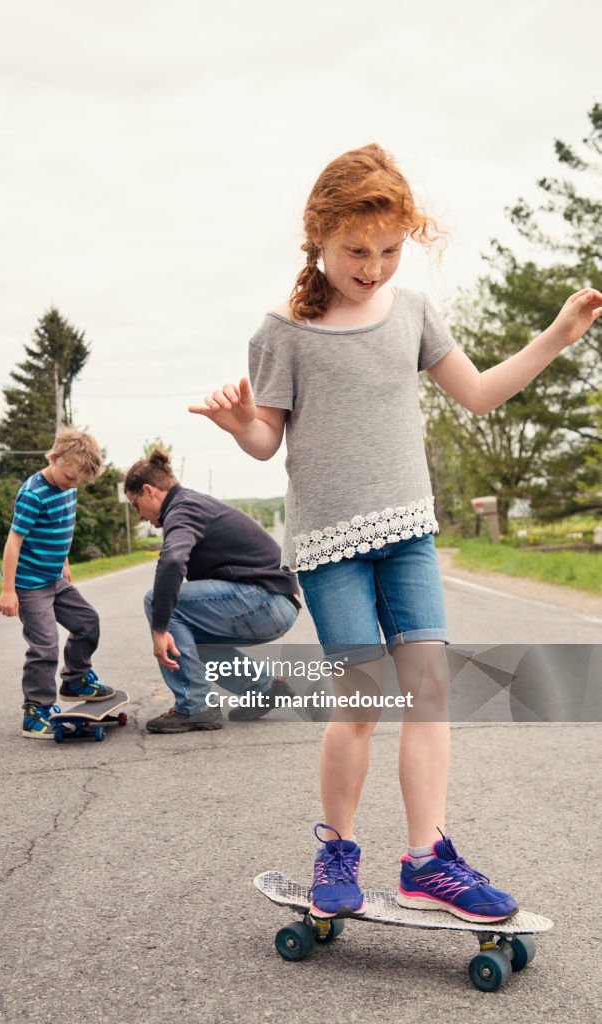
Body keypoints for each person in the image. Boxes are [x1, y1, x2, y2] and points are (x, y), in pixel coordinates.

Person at [190, 142, 602, 921]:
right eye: (355, 250)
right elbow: (267, 443)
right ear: (318, 236)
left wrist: (554, 337)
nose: (373, 266)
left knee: (431, 691)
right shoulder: (281, 331)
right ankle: (336, 850)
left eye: (388, 250)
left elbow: (477, 395)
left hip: (407, 531)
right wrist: (242, 423)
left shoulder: (411, 313)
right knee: (360, 702)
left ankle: (426, 861)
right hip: (327, 546)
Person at [124, 449, 301, 733]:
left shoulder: (182, 508)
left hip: (266, 600)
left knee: (158, 602)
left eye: (136, 505)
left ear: (149, 491)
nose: (140, 515)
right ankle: (264, 688)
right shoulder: (188, 504)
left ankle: (195, 707)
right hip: (274, 603)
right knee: (186, 635)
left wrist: (159, 629)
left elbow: (172, 561)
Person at [0, 429, 115, 738]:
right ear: (53, 458)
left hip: (53, 576)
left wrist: (63, 559)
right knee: (45, 644)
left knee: (87, 621)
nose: (72, 485)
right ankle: (36, 711)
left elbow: (58, 528)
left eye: (78, 481)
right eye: (68, 478)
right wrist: (8, 590)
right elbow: (14, 541)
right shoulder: (33, 494)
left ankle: (75, 679)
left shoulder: (69, 485)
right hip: (29, 583)